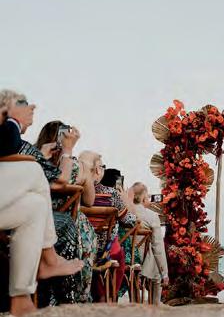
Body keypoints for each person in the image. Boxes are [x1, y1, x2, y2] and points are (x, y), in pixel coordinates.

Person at [0, 91, 83, 317]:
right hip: (50, 214)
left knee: (36, 206)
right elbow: (62, 180)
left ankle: (22, 298)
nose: (32, 110)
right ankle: (65, 295)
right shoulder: (22, 145)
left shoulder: (30, 149)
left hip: (21, 205)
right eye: (24, 106)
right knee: (67, 224)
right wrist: (67, 151)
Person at [34, 120, 98, 303]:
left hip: (35, 225)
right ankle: (75, 296)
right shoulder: (77, 168)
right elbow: (89, 201)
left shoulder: (34, 162)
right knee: (82, 228)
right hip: (68, 230)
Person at [79, 153, 136, 301]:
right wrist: (127, 201)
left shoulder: (76, 193)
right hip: (104, 251)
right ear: (98, 170)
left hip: (81, 249)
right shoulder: (112, 194)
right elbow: (129, 221)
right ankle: (107, 296)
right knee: (118, 252)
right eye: (102, 166)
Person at [130, 182, 168, 305]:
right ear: (143, 198)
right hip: (143, 261)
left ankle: (135, 298)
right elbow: (158, 247)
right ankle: (155, 303)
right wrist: (164, 273)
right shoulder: (151, 216)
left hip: (126, 258)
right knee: (155, 254)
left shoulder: (125, 212)